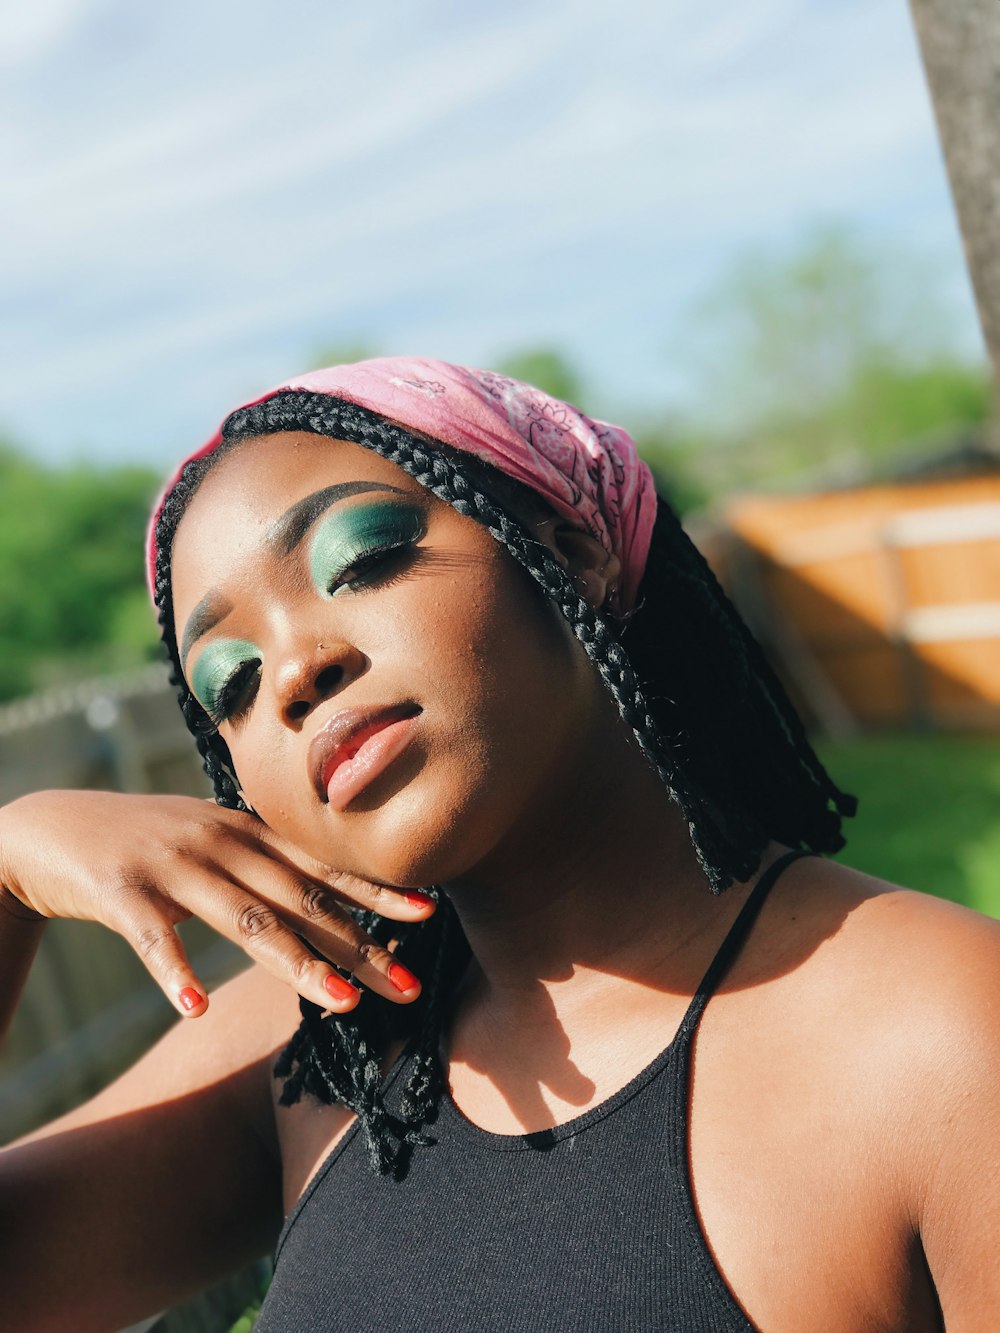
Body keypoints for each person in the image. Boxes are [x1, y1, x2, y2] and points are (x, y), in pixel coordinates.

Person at [0, 357, 997, 1332]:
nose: (295, 668)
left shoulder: (936, 1033)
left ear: (570, 553)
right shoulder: (324, 1039)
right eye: (233, 682)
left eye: (362, 560)